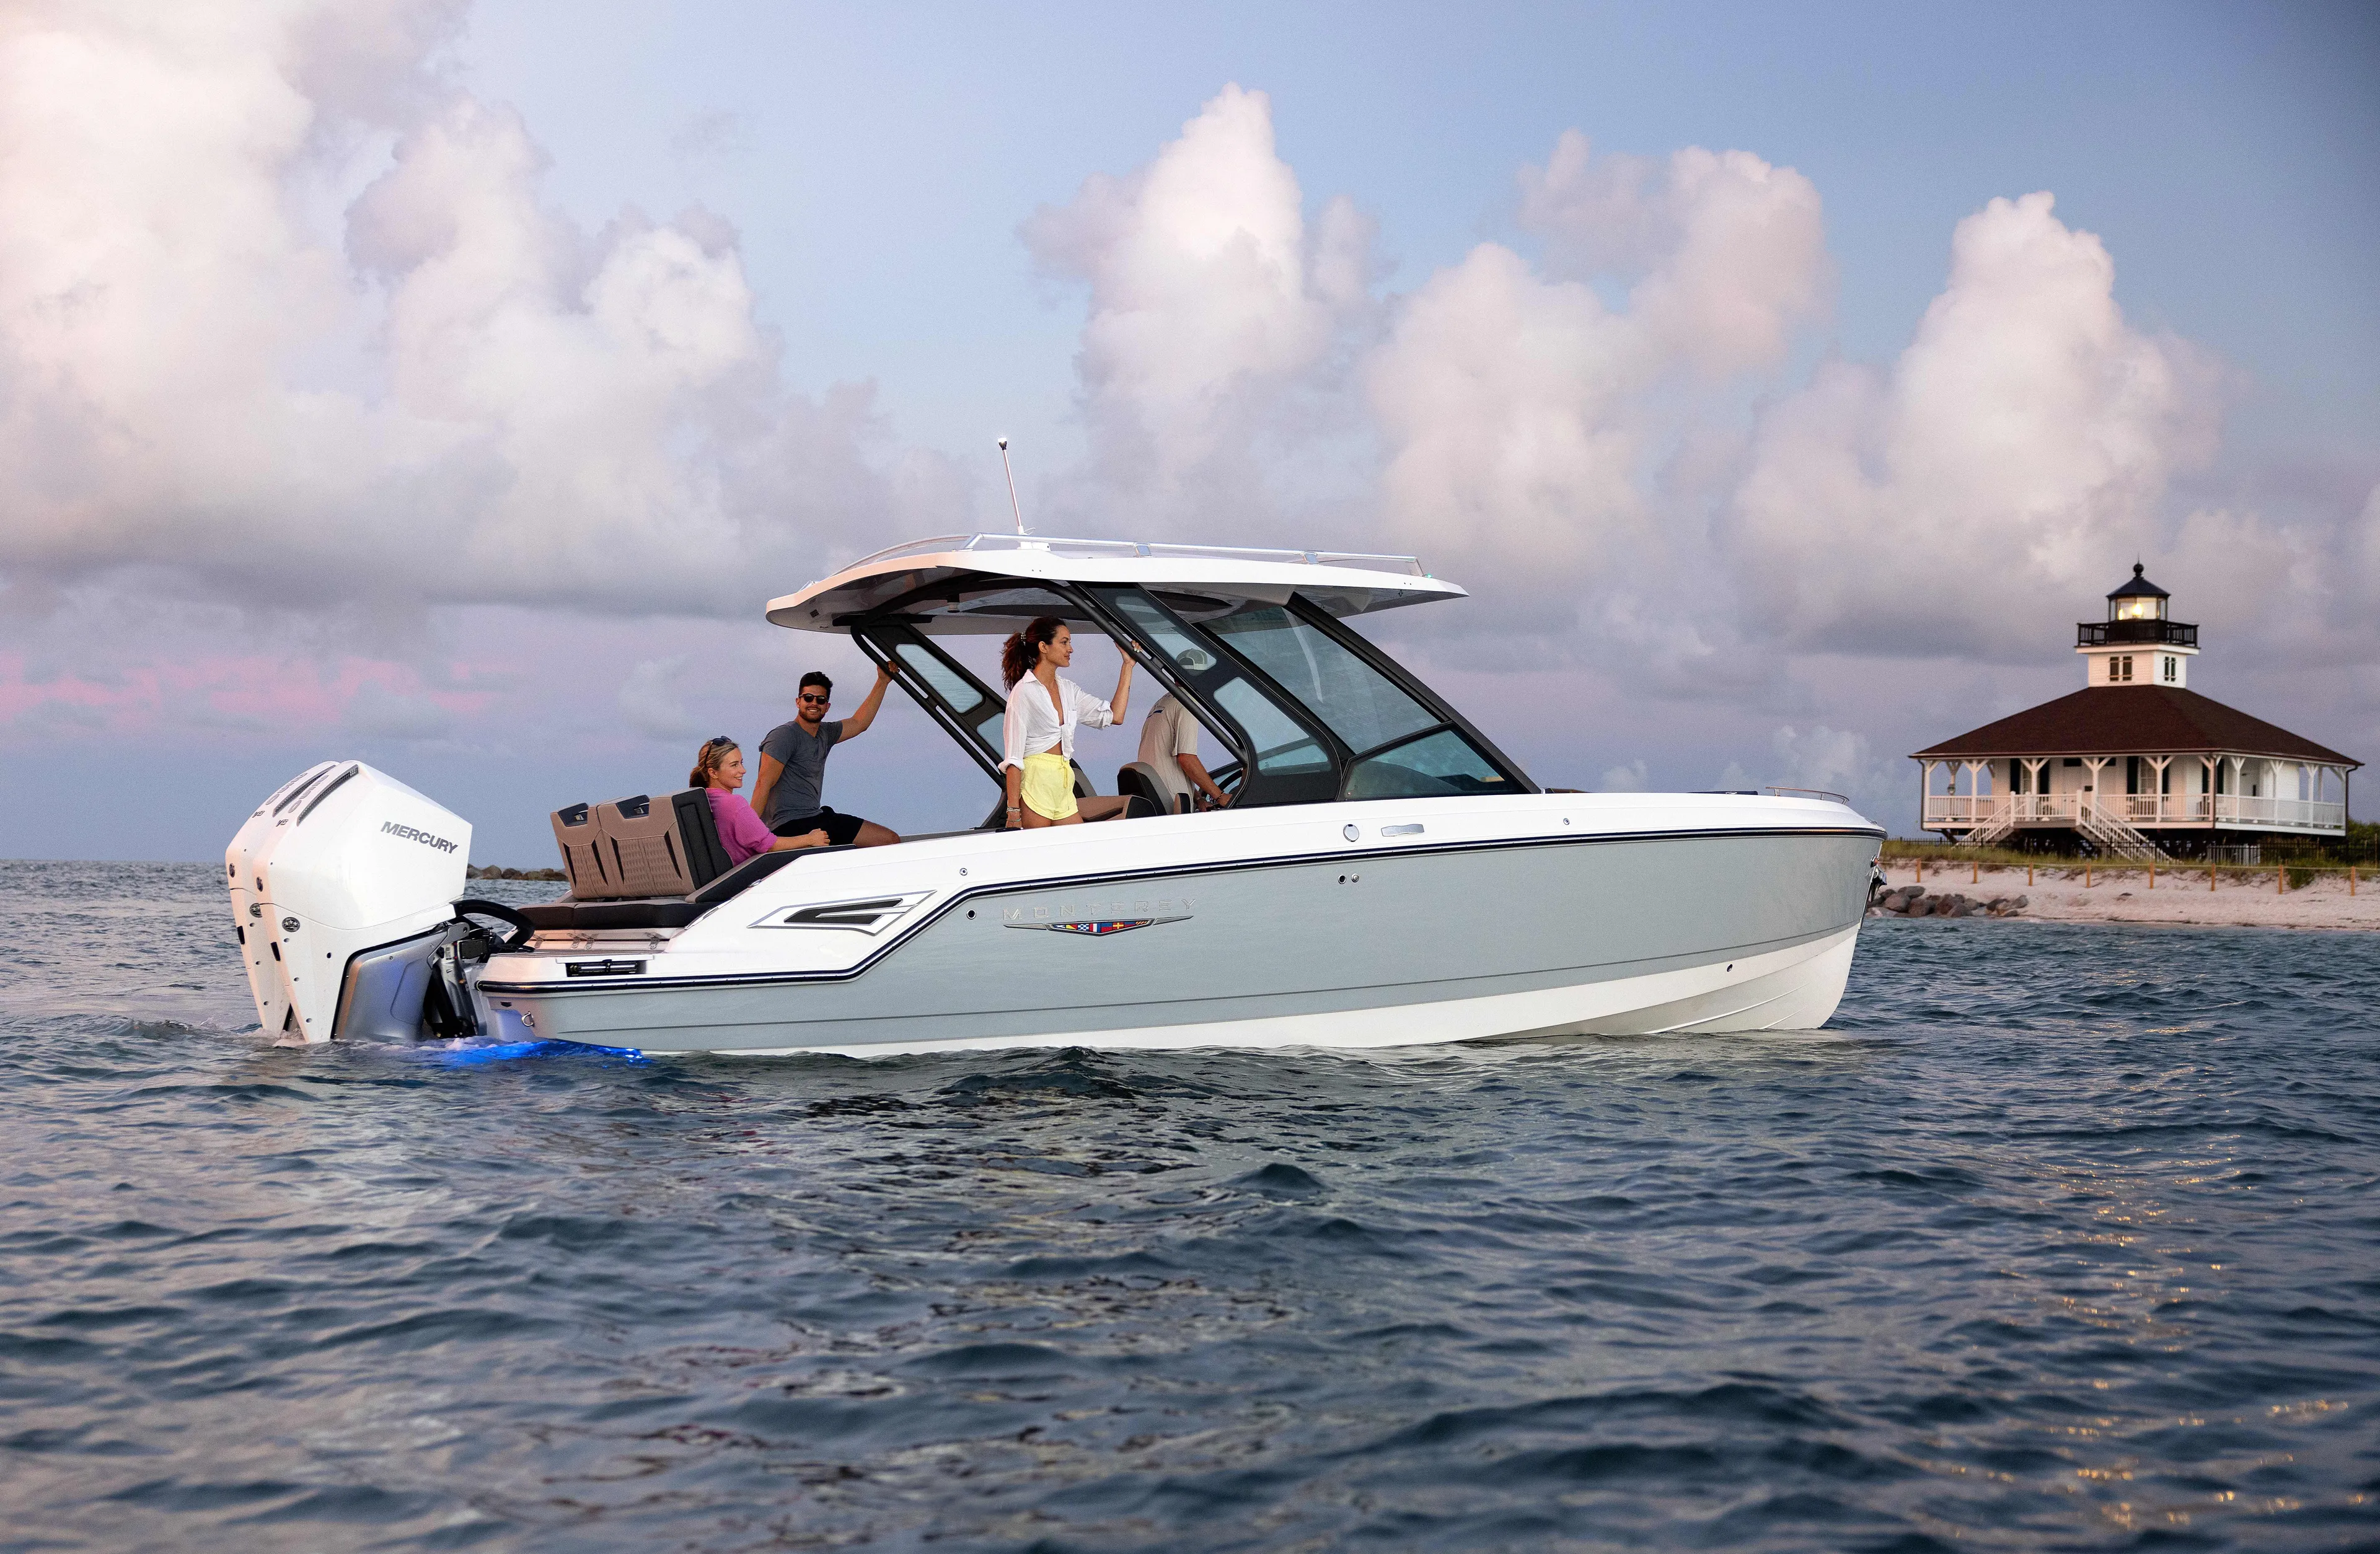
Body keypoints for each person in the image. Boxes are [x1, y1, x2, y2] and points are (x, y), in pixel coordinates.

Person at [1000, 616, 1136, 828]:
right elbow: (1014, 758)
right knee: (1041, 856)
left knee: (1078, 852)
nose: (1070, 649)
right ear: (1044, 647)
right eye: (1064, 642)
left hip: (1064, 781)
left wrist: (1128, 665)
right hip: (1036, 782)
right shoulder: (1023, 692)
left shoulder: (1068, 689)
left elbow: (1114, 716)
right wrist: (1013, 813)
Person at [751, 666, 901, 848]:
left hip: (816, 818)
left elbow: (859, 723)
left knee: (889, 840)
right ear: (798, 702)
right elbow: (763, 783)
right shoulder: (784, 736)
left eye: (820, 700)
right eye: (808, 698)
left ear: (827, 706)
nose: (814, 703)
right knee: (887, 841)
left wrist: (883, 681)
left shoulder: (826, 733)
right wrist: (750, 833)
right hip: (789, 825)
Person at [690, 737, 828, 866]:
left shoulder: (703, 800)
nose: (743, 770)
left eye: (741, 763)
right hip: (748, 876)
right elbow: (769, 845)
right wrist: (810, 839)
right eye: (734, 765)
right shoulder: (734, 804)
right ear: (713, 773)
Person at [1138, 678, 1232, 812]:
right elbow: (1186, 758)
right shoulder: (1187, 704)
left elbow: (1168, 764)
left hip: (1154, 799)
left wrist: (1199, 799)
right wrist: (1220, 796)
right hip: (1171, 806)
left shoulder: (1164, 702)